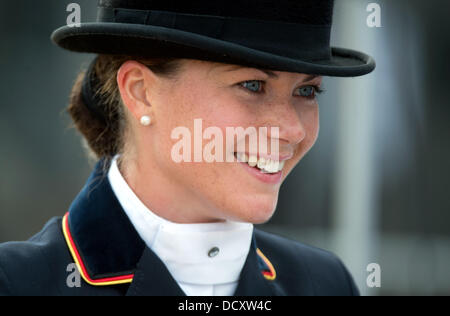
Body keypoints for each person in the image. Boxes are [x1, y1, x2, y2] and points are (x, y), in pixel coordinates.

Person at [0, 0, 375, 296]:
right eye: (252, 86)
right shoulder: (17, 284)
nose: (291, 129)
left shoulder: (323, 284)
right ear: (141, 92)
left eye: (306, 91)